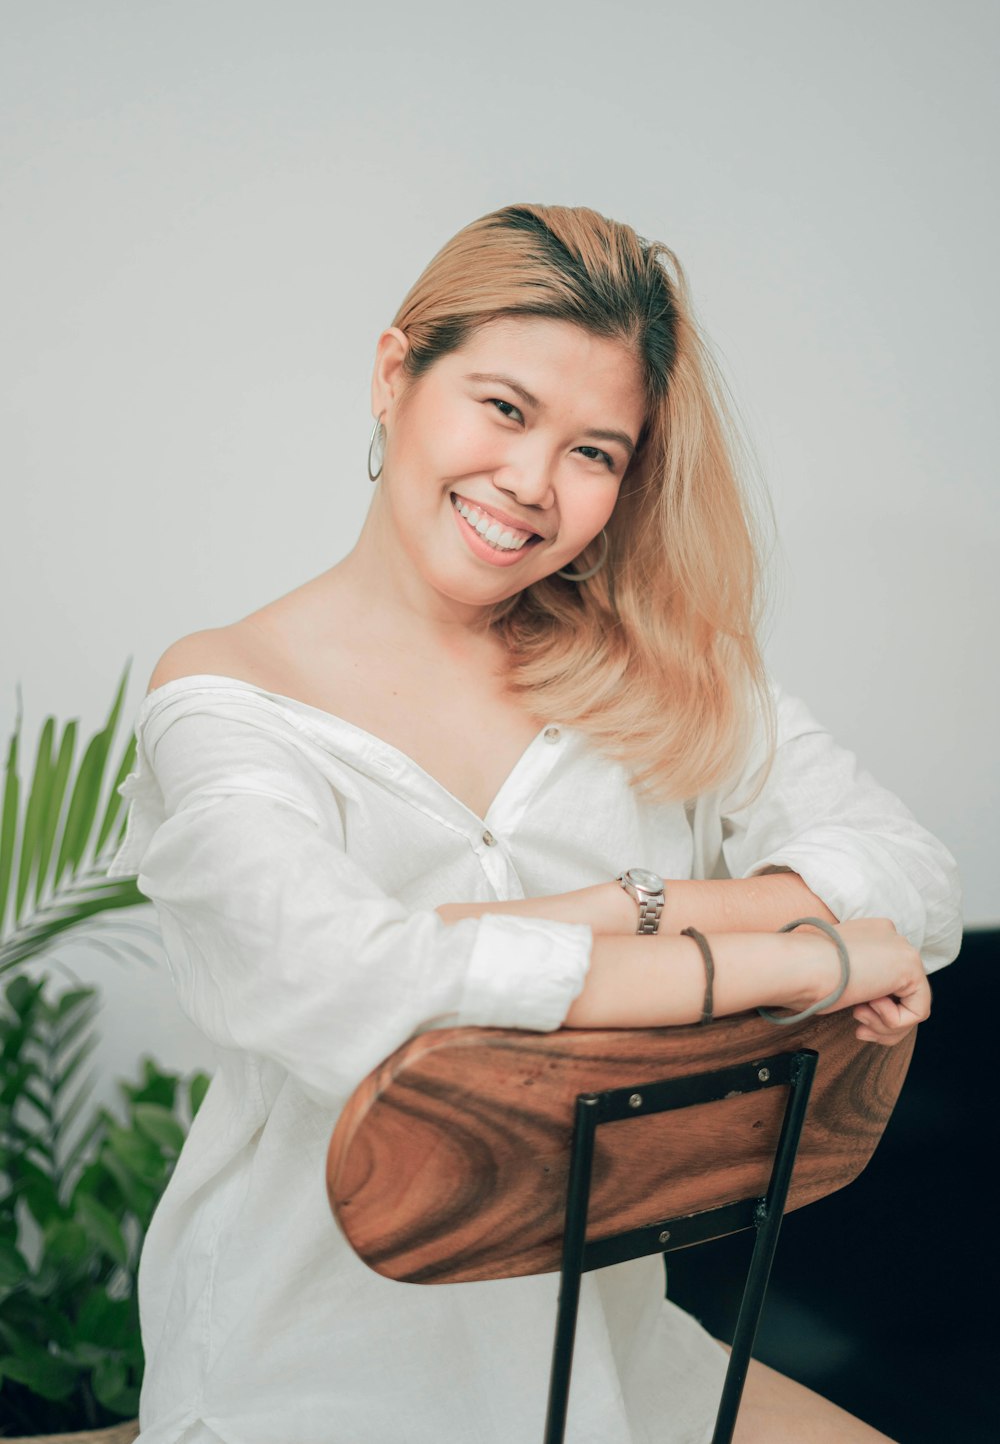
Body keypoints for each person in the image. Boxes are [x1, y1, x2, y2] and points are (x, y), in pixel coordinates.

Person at [108, 202, 962, 1444]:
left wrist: (640, 916)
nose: (531, 484)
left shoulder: (665, 669)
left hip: (610, 1361)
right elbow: (352, 989)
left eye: (595, 452)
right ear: (395, 374)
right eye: (504, 409)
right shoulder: (227, 695)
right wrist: (790, 953)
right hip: (312, 1374)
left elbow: (911, 880)